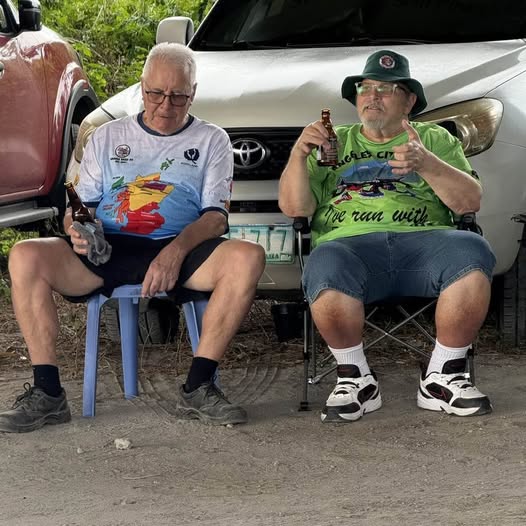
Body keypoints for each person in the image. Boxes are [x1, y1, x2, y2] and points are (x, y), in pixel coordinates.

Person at [0, 43, 266, 433]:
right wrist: (77, 228)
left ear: (193, 93)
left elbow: (215, 218)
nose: (165, 105)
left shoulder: (212, 139)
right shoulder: (107, 136)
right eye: (156, 93)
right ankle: (48, 393)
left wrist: (175, 252)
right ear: (142, 88)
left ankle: (199, 385)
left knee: (248, 257)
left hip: (182, 244)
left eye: (178, 96)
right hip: (109, 246)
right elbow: (81, 206)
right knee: (25, 255)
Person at [279, 50, 496, 423]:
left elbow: (469, 202)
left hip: (426, 244)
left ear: (409, 101)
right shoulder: (333, 142)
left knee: (472, 251)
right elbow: (295, 208)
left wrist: (426, 162)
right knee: (325, 263)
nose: (372, 96)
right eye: (365, 88)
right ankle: (355, 378)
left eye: (386, 89)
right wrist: (299, 155)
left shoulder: (435, 139)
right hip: (350, 248)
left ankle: (443, 376)